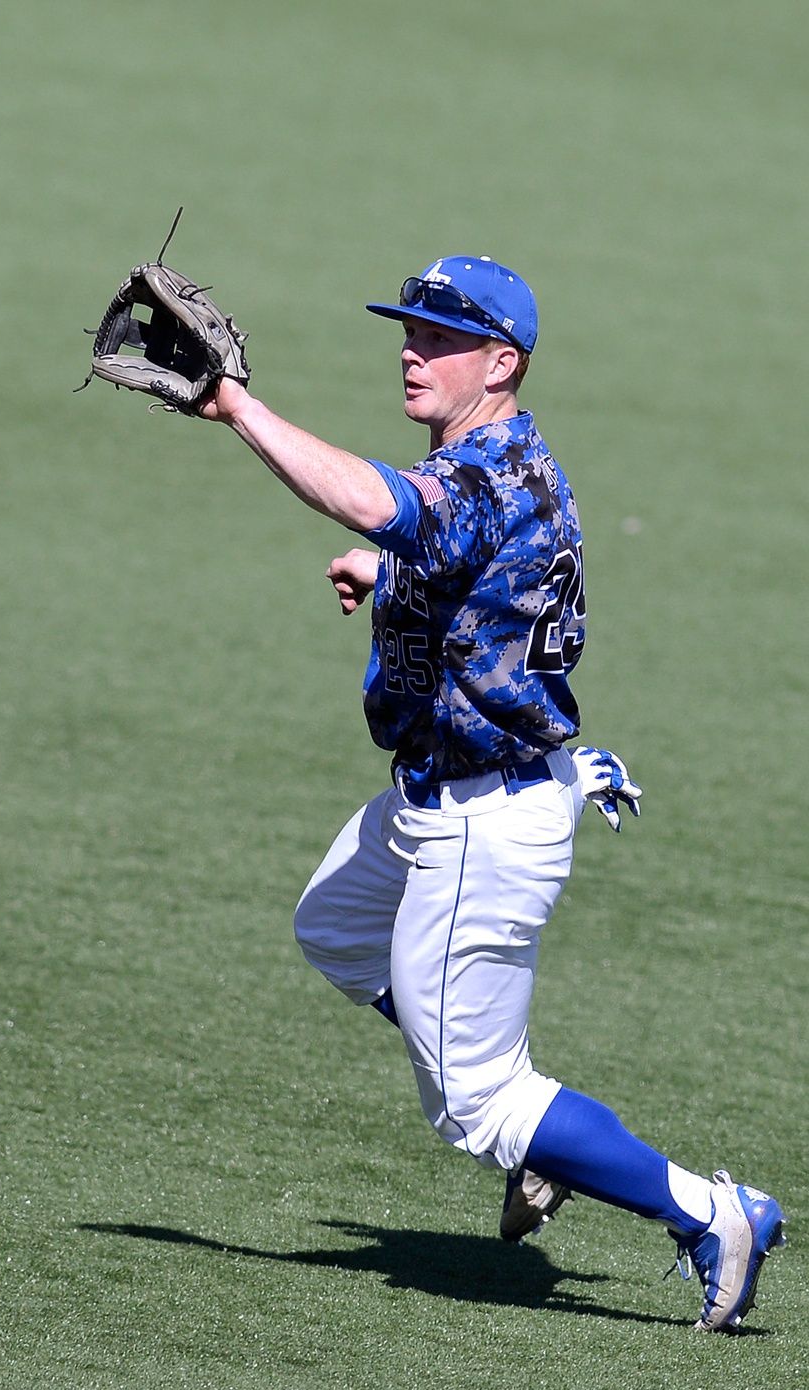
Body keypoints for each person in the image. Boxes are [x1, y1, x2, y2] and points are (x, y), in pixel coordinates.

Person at [197, 254, 785, 1333]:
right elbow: (484, 580)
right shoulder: (499, 463)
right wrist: (399, 578)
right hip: (455, 795)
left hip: (483, 821)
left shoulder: (487, 475)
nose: (413, 350)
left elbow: (380, 500)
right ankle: (539, 1132)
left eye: (441, 338)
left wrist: (237, 405)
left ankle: (714, 1214)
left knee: (477, 1103)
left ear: (501, 362)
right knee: (334, 928)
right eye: (409, 330)